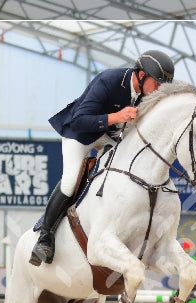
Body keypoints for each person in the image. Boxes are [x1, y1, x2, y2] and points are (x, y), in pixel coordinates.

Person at [29, 49, 175, 266]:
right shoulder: (108, 81)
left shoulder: (147, 93)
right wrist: (116, 116)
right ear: (142, 75)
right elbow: (79, 120)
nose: (159, 89)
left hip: (109, 136)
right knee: (70, 182)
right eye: (158, 83)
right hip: (79, 135)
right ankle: (45, 238)